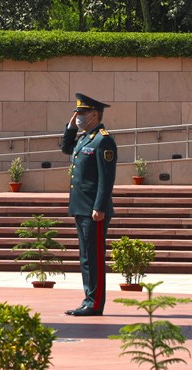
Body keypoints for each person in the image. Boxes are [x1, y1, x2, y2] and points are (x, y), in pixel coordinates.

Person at [61, 93, 117, 316]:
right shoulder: (85, 138)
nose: (78, 116)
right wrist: (71, 127)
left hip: (94, 210)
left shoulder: (103, 140)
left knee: (94, 258)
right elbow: (66, 148)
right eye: (77, 113)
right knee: (85, 257)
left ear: (95, 114)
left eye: (82, 113)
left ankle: (94, 304)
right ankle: (88, 300)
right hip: (81, 207)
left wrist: (100, 207)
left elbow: (106, 177)